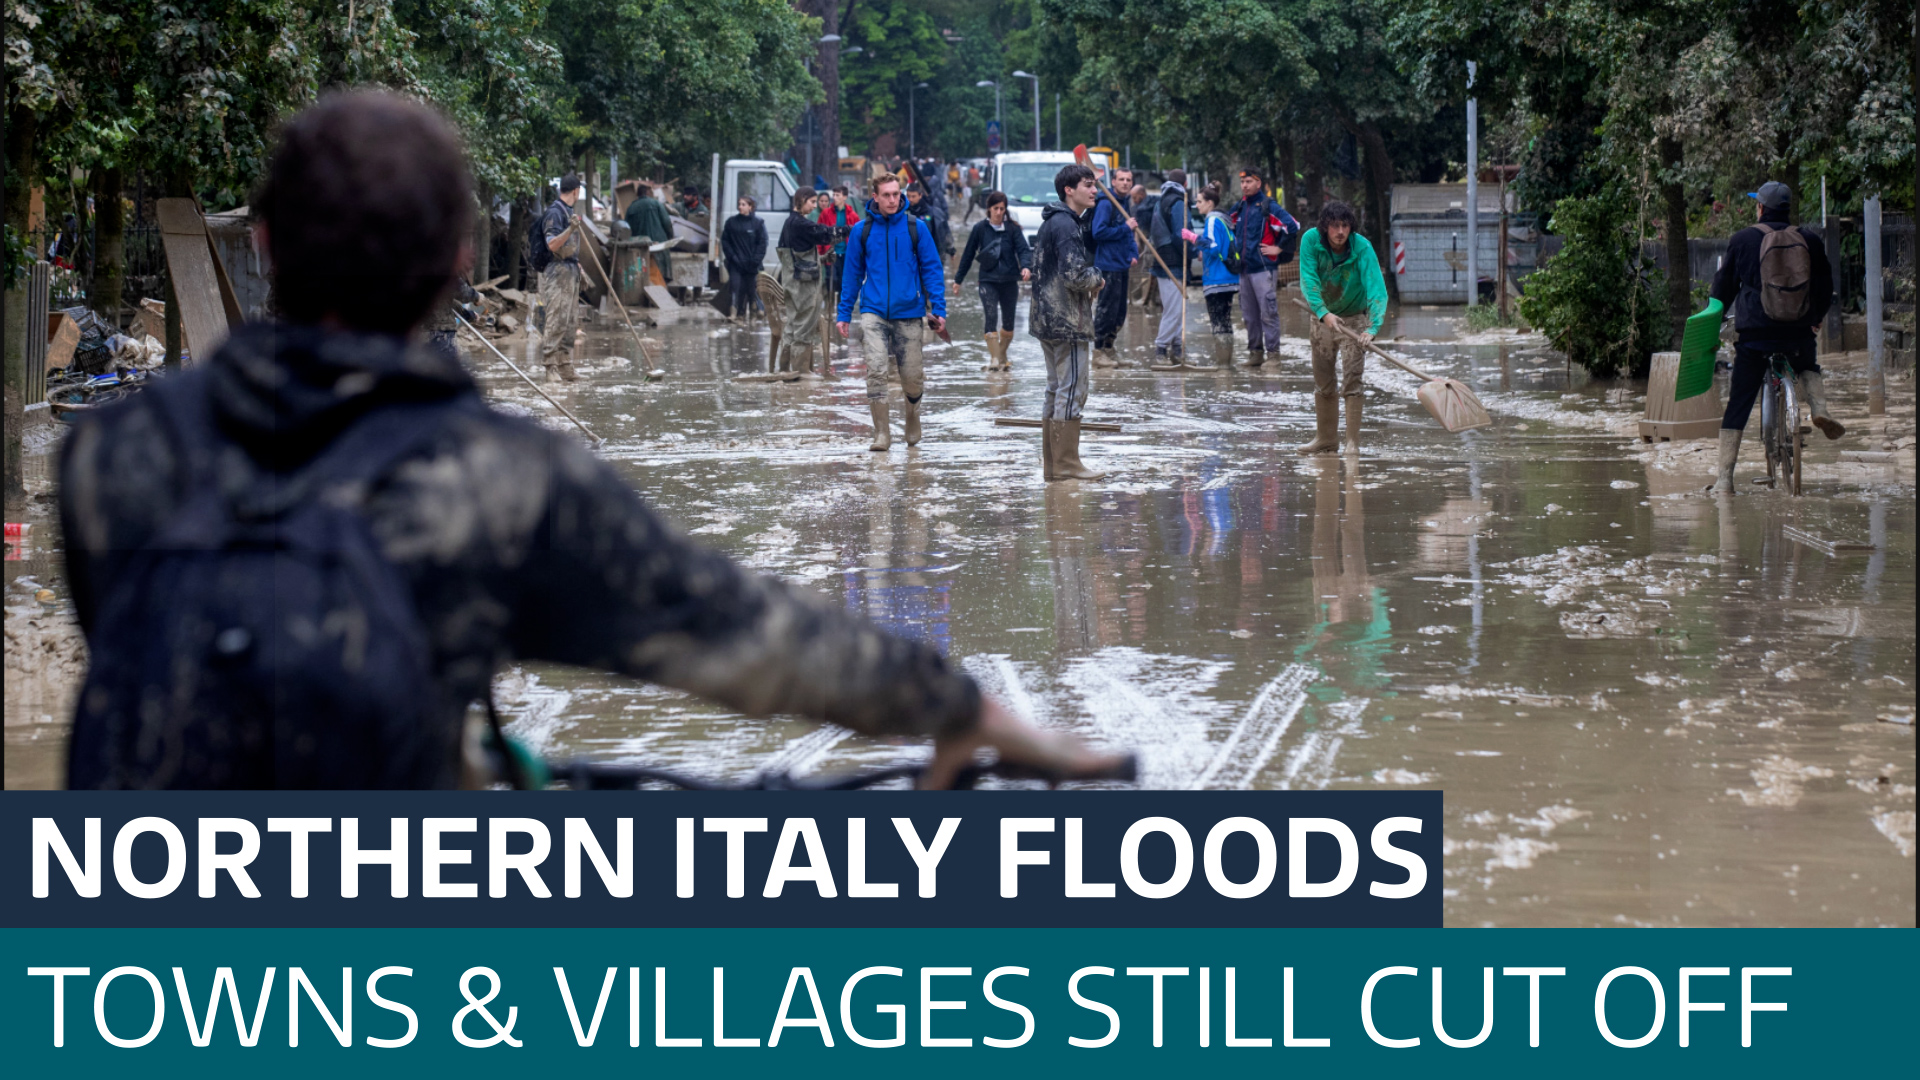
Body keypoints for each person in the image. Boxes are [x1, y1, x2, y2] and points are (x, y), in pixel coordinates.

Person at [56, 90, 1113, 792]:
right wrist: (957, 706)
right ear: (457, 262)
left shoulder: (109, 456)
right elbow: (730, 629)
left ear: (268, 246)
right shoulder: (493, 480)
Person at [1706, 180, 1841, 495]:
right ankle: (1819, 408)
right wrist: (1815, 318)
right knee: (1808, 363)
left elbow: (1723, 288)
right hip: (1797, 333)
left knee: (1739, 400)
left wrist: (1712, 320)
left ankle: (1725, 479)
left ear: (1760, 208)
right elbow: (1824, 286)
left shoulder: (1742, 240)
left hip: (1755, 337)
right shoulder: (1809, 239)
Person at [836, 174, 947, 451]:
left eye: (896, 194)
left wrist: (939, 308)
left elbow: (932, 269)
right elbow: (851, 274)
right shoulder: (861, 230)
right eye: (886, 195)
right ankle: (882, 433)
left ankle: (912, 415)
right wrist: (844, 313)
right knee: (875, 370)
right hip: (873, 311)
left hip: (909, 311)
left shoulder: (916, 228)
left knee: (912, 376)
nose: (892, 199)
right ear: (874, 196)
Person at [1029, 164, 1108, 482]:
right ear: (1068, 190)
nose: (1094, 191)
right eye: (1088, 185)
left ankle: (1054, 464)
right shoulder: (1065, 225)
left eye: (1095, 185)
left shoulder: (1055, 221)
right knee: (1072, 388)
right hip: (1066, 320)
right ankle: (1065, 464)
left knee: (1056, 388)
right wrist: (1098, 277)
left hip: (1047, 319)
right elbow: (1075, 274)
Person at [1297, 200, 1388, 454]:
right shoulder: (1310, 241)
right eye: (1334, 226)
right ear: (1325, 227)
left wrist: (1372, 328)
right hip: (1322, 316)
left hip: (1354, 319)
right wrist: (1323, 313)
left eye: (1345, 226)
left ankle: (1352, 443)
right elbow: (1309, 280)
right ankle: (1326, 439)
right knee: (1323, 381)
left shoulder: (1362, 248)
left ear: (1351, 228)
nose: (1340, 232)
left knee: (1352, 380)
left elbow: (1377, 291)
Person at [1228, 167, 1301, 367]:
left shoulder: (1268, 206)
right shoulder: (1240, 207)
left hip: (1264, 269)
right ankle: (1255, 354)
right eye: (1242, 182)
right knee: (1249, 315)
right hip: (1244, 270)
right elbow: (1226, 223)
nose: (1245, 185)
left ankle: (1274, 356)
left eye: (1249, 182)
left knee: (1268, 313)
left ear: (1258, 183)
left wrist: (1278, 249)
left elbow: (1293, 225)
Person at [954, 190, 1034, 373]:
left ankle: (1002, 355)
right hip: (987, 280)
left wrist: (1026, 266)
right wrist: (958, 280)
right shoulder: (980, 229)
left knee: (1008, 322)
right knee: (991, 316)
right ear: (988, 209)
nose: (999, 212)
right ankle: (995, 358)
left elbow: (1023, 250)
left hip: (1009, 280)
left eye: (1002, 209)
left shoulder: (1013, 229)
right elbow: (967, 255)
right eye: (995, 208)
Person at [776, 187, 837, 376]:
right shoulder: (801, 224)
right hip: (803, 285)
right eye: (812, 202)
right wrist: (853, 230)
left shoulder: (788, 223)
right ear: (802, 200)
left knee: (793, 324)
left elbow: (797, 256)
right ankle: (802, 371)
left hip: (791, 282)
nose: (814, 206)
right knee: (804, 324)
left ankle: (785, 369)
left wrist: (824, 257)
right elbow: (827, 233)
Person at [1089, 167, 1140, 368]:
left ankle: (1110, 349)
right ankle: (1098, 351)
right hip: (1108, 264)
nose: (1126, 183)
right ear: (1113, 181)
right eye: (1122, 179)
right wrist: (1124, 227)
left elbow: (1129, 233)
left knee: (1119, 311)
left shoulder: (1125, 202)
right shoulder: (1106, 203)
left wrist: (1133, 253)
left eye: (1129, 180)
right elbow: (1098, 232)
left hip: (1122, 264)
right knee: (1106, 309)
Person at [537, 173, 585, 381]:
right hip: (557, 271)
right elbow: (552, 244)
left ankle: (565, 365)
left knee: (570, 321)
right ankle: (550, 367)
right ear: (576, 191)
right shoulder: (554, 213)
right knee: (556, 319)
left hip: (571, 269)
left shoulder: (569, 211)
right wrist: (571, 229)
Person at [1186, 182, 1239, 363]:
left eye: (1200, 201)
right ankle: (1226, 361)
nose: (1197, 205)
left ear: (1209, 203)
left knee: (1218, 322)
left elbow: (1214, 247)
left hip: (1217, 280)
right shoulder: (1224, 219)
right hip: (1229, 278)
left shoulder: (1212, 220)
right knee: (1225, 320)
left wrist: (1194, 238)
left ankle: (1223, 364)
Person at [1147, 169, 1191, 364]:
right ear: (1185, 184)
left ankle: (1178, 350)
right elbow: (1180, 234)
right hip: (1173, 262)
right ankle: (1161, 349)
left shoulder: (1160, 201)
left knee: (1177, 307)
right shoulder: (1179, 202)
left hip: (1163, 260)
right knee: (1174, 310)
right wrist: (1188, 254)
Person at [720, 195, 767, 321]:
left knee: (752, 290)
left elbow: (762, 243)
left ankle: (754, 314)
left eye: (743, 204)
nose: (740, 207)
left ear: (750, 207)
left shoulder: (758, 223)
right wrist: (732, 257)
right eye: (739, 204)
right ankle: (734, 313)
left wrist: (755, 260)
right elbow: (725, 241)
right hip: (736, 262)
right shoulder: (731, 223)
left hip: (752, 264)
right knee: (735, 287)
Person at [817, 186, 861, 312]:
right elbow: (820, 233)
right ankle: (829, 309)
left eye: (838, 195)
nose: (835, 198)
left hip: (846, 254)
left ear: (845, 197)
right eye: (834, 195)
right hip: (831, 253)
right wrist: (821, 251)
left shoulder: (852, 215)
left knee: (844, 283)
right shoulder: (826, 213)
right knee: (831, 281)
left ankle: (841, 311)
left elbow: (857, 236)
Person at [623, 182, 676, 285]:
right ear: (647, 192)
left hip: (640, 246)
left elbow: (626, 229)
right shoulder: (656, 204)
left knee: (643, 275)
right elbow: (667, 223)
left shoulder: (631, 208)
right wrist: (670, 238)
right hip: (659, 244)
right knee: (660, 275)